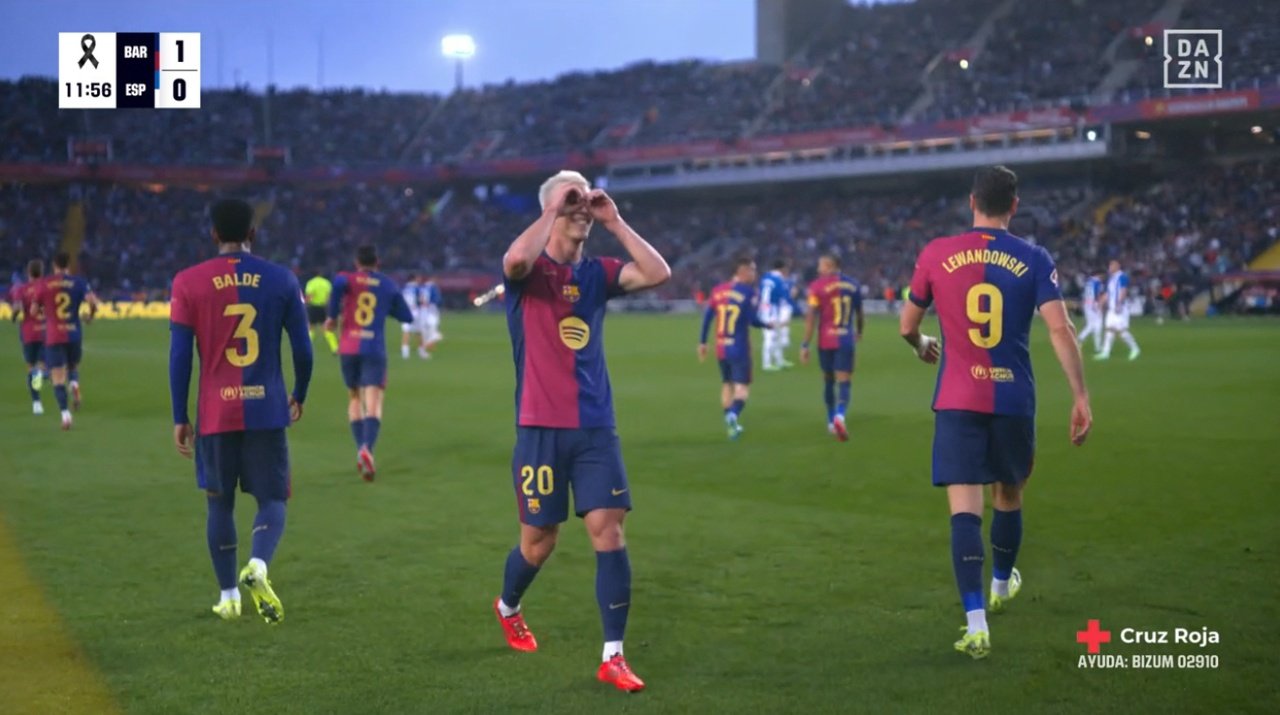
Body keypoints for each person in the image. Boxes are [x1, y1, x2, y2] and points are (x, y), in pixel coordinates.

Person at [899, 166, 1092, 659]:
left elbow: (907, 325)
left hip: (958, 399)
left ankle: (976, 623)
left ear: (971, 201)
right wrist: (1080, 397)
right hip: (1012, 399)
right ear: (1015, 205)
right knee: (1009, 494)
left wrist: (922, 343)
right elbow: (1059, 329)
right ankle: (1002, 585)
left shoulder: (936, 252)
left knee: (965, 510)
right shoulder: (1034, 257)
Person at [492, 170, 670, 693]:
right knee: (539, 542)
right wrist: (553, 209)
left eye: (584, 199)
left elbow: (657, 272)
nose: (581, 208)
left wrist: (613, 219)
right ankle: (508, 606)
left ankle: (612, 655)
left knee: (608, 531)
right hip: (539, 429)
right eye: (573, 201)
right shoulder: (528, 276)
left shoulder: (597, 274)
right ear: (549, 210)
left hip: (595, 426)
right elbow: (514, 261)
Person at [168, 198, 314, 623]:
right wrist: (299, 393)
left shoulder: (187, 282)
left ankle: (229, 595)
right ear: (253, 233)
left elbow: (180, 357)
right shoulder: (282, 280)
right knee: (273, 500)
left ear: (213, 233)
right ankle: (260, 565)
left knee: (219, 505)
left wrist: (180, 415)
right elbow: (303, 350)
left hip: (215, 412)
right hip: (267, 408)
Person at [325, 245, 414, 481]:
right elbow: (407, 316)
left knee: (354, 397)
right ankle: (367, 448)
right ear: (378, 262)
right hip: (374, 348)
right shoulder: (387, 284)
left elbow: (337, 286)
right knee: (373, 402)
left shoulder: (346, 279)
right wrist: (387, 308)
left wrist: (332, 317)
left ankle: (360, 449)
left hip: (348, 348)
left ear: (357, 262)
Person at [698, 257, 769, 440]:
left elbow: (707, 318)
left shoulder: (717, 291)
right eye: (752, 270)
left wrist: (703, 342)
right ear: (742, 271)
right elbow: (753, 320)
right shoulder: (749, 292)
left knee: (726, 384)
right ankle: (733, 415)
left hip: (721, 347)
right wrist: (769, 325)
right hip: (739, 347)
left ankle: (731, 426)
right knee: (742, 388)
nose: (754, 274)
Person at [799, 255, 863, 442]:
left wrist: (805, 344)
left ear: (830, 266)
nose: (818, 269)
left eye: (821, 265)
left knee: (828, 379)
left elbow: (811, 317)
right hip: (845, 339)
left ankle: (830, 420)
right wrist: (859, 331)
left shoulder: (816, 287)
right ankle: (840, 416)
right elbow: (859, 313)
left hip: (825, 340)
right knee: (844, 380)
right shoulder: (853, 285)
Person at [36, 252, 100, 430]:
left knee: (57, 377)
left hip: (54, 335)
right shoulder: (78, 282)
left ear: (54, 265)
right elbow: (94, 302)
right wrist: (90, 316)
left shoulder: (44, 283)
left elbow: (34, 310)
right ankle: (74, 384)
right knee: (73, 367)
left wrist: (45, 314)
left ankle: (65, 415)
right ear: (68, 265)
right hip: (74, 334)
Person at [10, 259, 47, 415]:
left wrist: (13, 317)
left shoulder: (21, 289)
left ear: (28, 272)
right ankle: (44, 374)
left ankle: (36, 403)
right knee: (42, 366)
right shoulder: (47, 288)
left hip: (28, 333)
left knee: (32, 368)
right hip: (45, 332)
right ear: (42, 272)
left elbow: (17, 307)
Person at [1095, 260, 1141, 361]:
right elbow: (1108, 293)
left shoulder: (1122, 276)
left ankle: (1135, 348)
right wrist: (1100, 303)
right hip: (1111, 308)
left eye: (1112, 265)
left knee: (1121, 331)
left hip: (1119, 308)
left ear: (1117, 266)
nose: (1110, 267)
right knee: (1109, 330)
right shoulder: (1111, 279)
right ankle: (1105, 352)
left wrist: (1119, 304)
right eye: (1109, 265)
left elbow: (1123, 290)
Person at [759, 259, 799, 370]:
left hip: (764, 309)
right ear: (782, 269)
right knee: (771, 336)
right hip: (772, 310)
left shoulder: (765, 277)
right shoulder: (779, 280)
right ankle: (766, 364)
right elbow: (784, 297)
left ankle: (779, 361)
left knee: (774, 335)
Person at [304, 270, 338, 354]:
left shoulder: (311, 283)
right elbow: (329, 297)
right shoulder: (326, 283)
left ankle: (306, 348)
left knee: (310, 328)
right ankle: (335, 348)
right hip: (323, 307)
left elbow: (310, 296)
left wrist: (305, 304)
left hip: (313, 307)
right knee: (327, 328)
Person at [1077, 272, 1104, 353]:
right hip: (1094, 304)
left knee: (1091, 325)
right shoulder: (1097, 282)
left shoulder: (1088, 282)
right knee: (1098, 325)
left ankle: (1081, 339)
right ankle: (1097, 347)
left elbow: (1084, 294)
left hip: (1087, 304)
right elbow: (1097, 294)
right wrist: (1099, 304)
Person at [399, 274, 424, 360]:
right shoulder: (416, 287)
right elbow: (421, 300)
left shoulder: (404, 288)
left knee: (406, 332)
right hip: (415, 311)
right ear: (414, 279)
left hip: (406, 311)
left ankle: (405, 353)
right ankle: (421, 352)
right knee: (418, 331)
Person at [419, 274, 444, 359]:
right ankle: (422, 349)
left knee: (425, 332)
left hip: (422, 311)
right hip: (431, 310)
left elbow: (419, 299)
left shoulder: (422, 287)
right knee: (434, 333)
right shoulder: (433, 287)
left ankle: (424, 350)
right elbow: (437, 300)